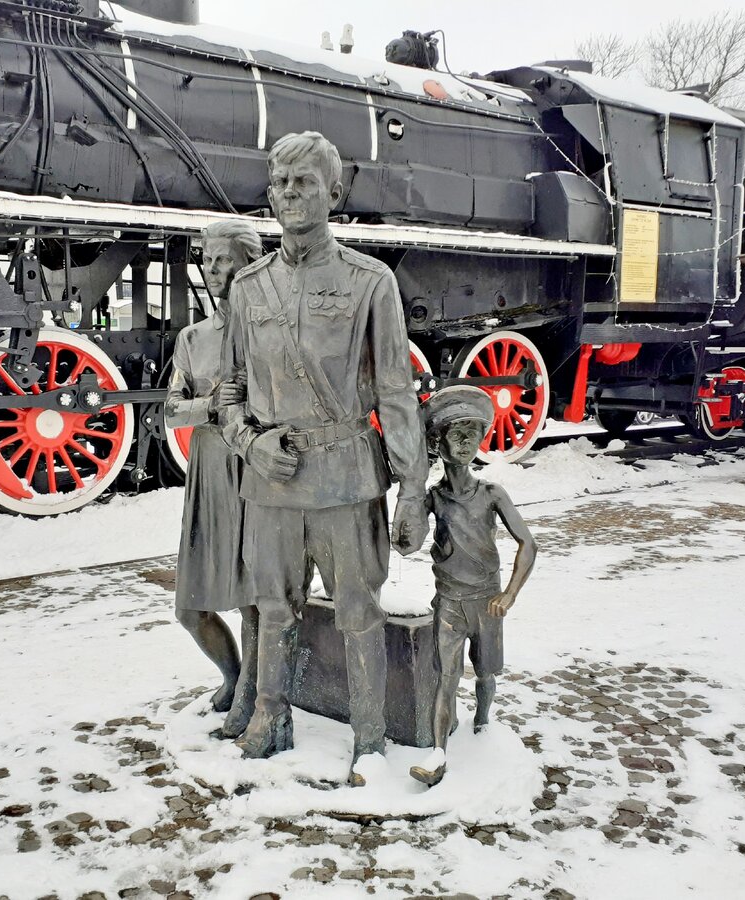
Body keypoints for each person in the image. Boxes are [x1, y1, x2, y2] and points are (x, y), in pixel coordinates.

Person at [222, 131, 430, 786]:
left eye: (304, 182)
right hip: (272, 483)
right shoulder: (249, 287)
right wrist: (250, 441)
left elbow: (396, 393)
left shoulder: (372, 283)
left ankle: (369, 736)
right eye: (280, 183)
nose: (289, 195)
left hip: (345, 478)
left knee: (358, 611)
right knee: (272, 608)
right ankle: (269, 714)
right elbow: (227, 393)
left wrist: (414, 488)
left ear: (333, 193)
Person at [409, 386, 537, 788]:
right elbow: (406, 538)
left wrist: (509, 595)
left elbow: (528, 543)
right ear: (438, 443)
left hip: (486, 602)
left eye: (472, 431)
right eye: (455, 432)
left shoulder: (492, 494)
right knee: (447, 678)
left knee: (485, 674)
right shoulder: (434, 498)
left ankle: (483, 727)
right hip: (448, 602)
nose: (465, 441)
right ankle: (438, 753)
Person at [167, 220, 263, 739]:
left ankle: (253, 690)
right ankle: (233, 674)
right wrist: (209, 404)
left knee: (254, 598)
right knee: (190, 607)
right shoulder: (192, 338)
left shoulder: (269, 335)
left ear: (248, 264)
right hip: (208, 472)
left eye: (223, 260)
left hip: (253, 472)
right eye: (207, 259)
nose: (212, 269)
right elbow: (169, 412)